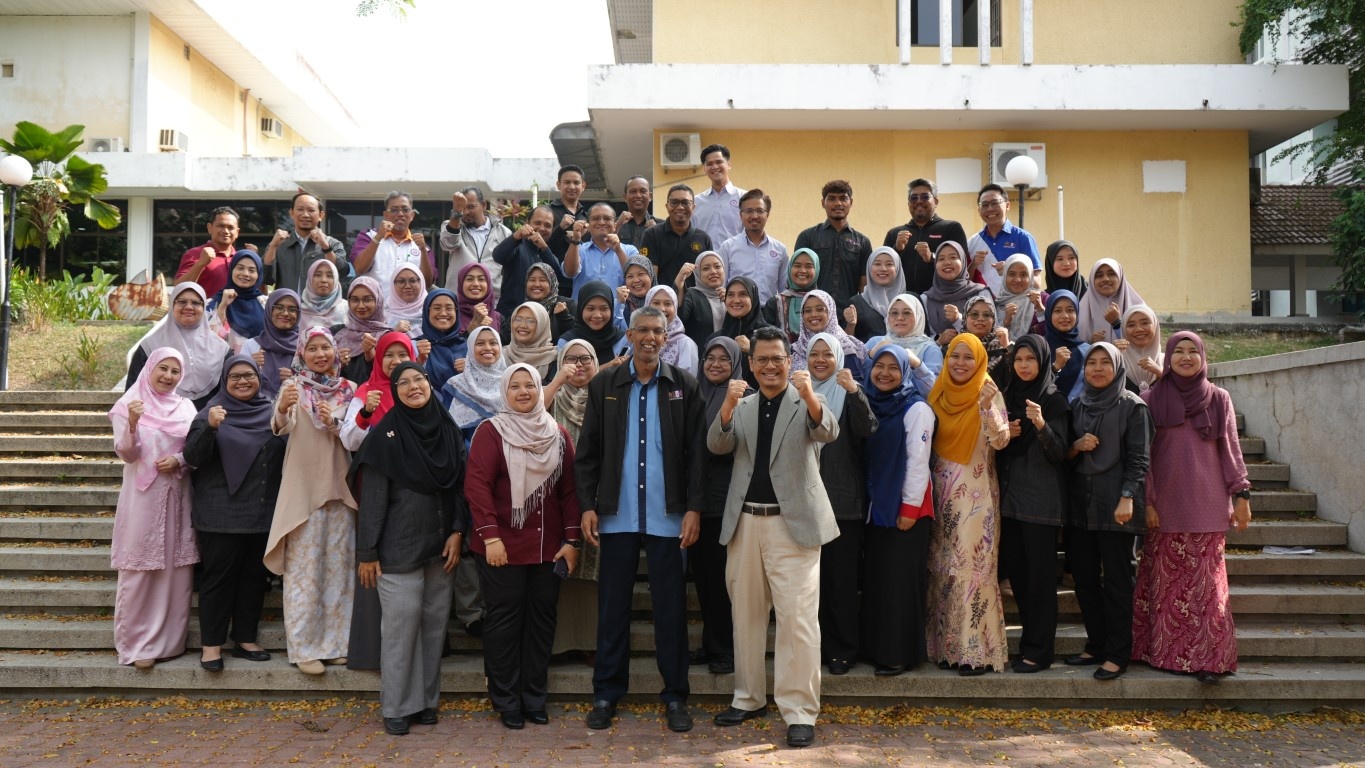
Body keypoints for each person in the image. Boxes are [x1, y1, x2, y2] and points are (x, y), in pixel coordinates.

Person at [575, 306, 705, 734]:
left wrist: (693, 508)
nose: (650, 338)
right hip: (618, 515)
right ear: (629, 335)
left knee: (671, 611)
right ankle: (606, 693)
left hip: (669, 516)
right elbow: (588, 452)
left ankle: (675, 695)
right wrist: (587, 505)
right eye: (642, 330)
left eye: (658, 331)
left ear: (666, 338)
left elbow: (697, 455)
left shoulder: (683, 385)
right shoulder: (605, 384)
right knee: (613, 609)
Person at [707, 325, 838, 749]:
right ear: (751, 364)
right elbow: (717, 446)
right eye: (761, 359)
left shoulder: (806, 399)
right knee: (745, 615)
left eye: (777, 359)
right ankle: (748, 698)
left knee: (797, 620)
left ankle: (799, 711)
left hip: (793, 525)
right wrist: (727, 406)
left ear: (789, 361)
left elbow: (828, 431)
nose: (769, 366)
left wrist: (810, 394)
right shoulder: (742, 404)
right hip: (745, 522)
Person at [349, 362, 468, 736]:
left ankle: (427, 701)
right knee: (401, 629)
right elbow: (372, 500)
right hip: (397, 549)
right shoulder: (385, 437)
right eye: (404, 382)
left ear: (429, 384)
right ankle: (398, 706)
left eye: (419, 379)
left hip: (441, 546)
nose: (414, 386)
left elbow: (461, 487)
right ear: (394, 390)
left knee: (433, 628)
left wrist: (458, 531)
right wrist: (367, 552)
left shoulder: (447, 430)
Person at [465, 364, 582, 729]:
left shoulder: (558, 434)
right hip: (501, 547)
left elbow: (570, 492)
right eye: (514, 386)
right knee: (504, 622)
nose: (523, 392)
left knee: (541, 623)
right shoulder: (491, 432)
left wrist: (572, 540)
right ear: (505, 392)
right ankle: (506, 699)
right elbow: (477, 487)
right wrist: (491, 537)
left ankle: (534, 698)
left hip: (548, 547)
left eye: (529, 385)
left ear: (539, 388)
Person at [1134, 331, 1251, 684]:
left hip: (1208, 505)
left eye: (1193, 352)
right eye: (1179, 352)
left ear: (1203, 358)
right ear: (1168, 358)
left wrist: (1242, 495)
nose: (1186, 358)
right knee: (1166, 586)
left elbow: (1230, 449)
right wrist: (1147, 501)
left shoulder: (1218, 398)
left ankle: (1211, 661)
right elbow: (1143, 457)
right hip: (1165, 505)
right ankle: (1163, 655)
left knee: (1207, 588)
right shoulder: (1150, 399)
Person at [265, 327, 359, 676]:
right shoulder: (294, 387)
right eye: (313, 348)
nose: (320, 354)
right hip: (304, 487)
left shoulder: (348, 389)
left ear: (335, 351)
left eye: (326, 348)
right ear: (302, 353)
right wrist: (283, 407)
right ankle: (304, 647)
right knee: (304, 571)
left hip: (341, 487)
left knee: (339, 570)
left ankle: (336, 644)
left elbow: (355, 435)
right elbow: (281, 425)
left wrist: (333, 422)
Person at [183, 355, 284, 671]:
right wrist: (210, 428)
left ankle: (245, 639)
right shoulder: (211, 412)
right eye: (235, 376)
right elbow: (192, 457)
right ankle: (211, 646)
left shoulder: (271, 412)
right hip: (220, 516)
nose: (243, 381)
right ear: (224, 381)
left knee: (254, 578)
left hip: (261, 512)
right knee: (218, 580)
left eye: (249, 375)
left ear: (259, 378)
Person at [1064, 343, 1153, 681]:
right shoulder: (1078, 404)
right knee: (1085, 579)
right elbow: (1064, 454)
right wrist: (1076, 445)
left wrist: (1128, 496)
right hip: (1080, 505)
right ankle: (1096, 644)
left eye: (1105, 363)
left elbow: (1140, 458)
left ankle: (1118, 654)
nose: (1098, 369)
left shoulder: (1133, 406)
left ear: (1118, 368)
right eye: (1092, 363)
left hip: (1116, 504)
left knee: (1117, 581)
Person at [108, 348, 199, 669]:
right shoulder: (129, 404)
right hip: (143, 498)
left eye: (175, 371)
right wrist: (133, 423)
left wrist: (180, 460)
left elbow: (197, 448)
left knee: (175, 569)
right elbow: (127, 454)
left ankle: (171, 642)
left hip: (178, 494)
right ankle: (136, 645)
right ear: (149, 368)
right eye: (163, 368)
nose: (168, 376)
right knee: (140, 568)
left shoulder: (186, 407)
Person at [926, 333, 1011, 675]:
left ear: (979, 360)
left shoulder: (987, 390)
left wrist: (987, 408)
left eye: (968, 357)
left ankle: (975, 652)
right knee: (942, 568)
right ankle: (944, 648)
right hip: (939, 493)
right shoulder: (938, 391)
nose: (960, 363)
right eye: (955, 356)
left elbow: (1001, 440)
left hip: (975, 498)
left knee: (972, 570)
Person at [338, 331, 417, 669]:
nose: (396, 361)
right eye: (389, 355)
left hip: (413, 493)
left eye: (403, 354)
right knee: (375, 564)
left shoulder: (419, 388)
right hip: (376, 490)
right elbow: (350, 440)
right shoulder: (366, 392)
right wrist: (366, 413)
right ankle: (372, 650)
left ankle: (411, 651)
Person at [994, 335, 1070, 673]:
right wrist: (1003, 434)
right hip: (1009, 501)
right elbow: (996, 448)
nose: (1024, 366)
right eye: (1019, 359)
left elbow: (1061, 453)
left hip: (1041, 504)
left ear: (1043, 362)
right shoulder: (1006, 396)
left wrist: (1040, 424)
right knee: (1020, 579)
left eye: (1031, 359)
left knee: (1040, 581)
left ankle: (1040, 652)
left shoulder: (1054, 401)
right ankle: (1029, 645)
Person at [860, 344, 935, 677]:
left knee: (899, 584)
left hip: (907, 510)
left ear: (905, 371)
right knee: (879, 580)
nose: (885, 373)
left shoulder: (916, 408)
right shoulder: (870, 402)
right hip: (877, 508)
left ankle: (898, 654)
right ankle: (876, 648)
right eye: (880, 366)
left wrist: (909, 508)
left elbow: (918, 463)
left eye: (894, 367)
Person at [803, 332, 876, 676]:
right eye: (814, 354)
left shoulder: (848, 392)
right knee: (808, 584)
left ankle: (842, 650)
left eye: (827, 354)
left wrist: (854, 392)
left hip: (842, 502)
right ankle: (812, 648)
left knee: (840, 581)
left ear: (839, 358)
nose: (820, 360)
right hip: (804, 503)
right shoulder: (799, 394)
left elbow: (867, 428)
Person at [691, 338, 748, 676]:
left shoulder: (744, 397)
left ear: (736, 362)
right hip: (696, 498)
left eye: (724, 359)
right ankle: (712, 643)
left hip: (726, 499)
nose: (715, 364)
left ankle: (727, 648)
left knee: (724, 579)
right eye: (709, 357)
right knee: (704, 577)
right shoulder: (694, 392)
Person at [546, 339, 602, 662]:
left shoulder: (605, 396)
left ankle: (590, 642)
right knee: (560, 568)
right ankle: (559, 644)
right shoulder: (553, 397)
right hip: (558, 495)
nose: (579, 365)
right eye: (571, 359)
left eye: (585, 358)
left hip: (597, 494)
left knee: (592, 571)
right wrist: (558, 380)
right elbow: (531, 409)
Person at [125, 283, 229, 409]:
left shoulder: (221, 348)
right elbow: (133, 391)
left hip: (211, 417)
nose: (189, 307)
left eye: (196, 303)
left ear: (203, 307)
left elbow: (230, 391)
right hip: (160, 417)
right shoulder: (150, 346)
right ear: (172, 305)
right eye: (182, 302)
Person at [793, 180, 872, 311]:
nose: (838, 203)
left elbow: (864, 286)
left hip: (847, 313)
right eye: (832, 198)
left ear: (851, 202)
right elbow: (798, 278)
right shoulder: (807, 237)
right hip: (814, 312)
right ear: (823, 203)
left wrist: (861, 313)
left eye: (843, 198)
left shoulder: (863, 242)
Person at [884, 179, 970, 295]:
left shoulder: (951, 228)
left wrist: (932, 257)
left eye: (925, 197)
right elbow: (883, 268)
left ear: (936, 201)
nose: (919, 201)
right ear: (908, 204)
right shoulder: (894, 234)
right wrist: (897, 249)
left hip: (940, 298)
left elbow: (961, 264)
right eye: (913, 198)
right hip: (903, 300)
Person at [263, 192, 348, 296]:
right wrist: (273, 246)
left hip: (320, 306)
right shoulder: (279, 244)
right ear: (291, 213)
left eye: (311, 210)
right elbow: (265, 278)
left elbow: (342, 272)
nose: (305, 215)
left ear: (321, 215)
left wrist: (325, 247)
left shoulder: (333, 244)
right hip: (287, 305)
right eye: (300, 209)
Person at [966, 184, 1042, 296]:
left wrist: (1009, 270)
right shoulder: (972, 243)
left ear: (1007, 205)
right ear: (979, 210)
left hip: (1015, 305)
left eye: (995, 203)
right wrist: (973, 265)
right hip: (983, 305)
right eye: (985, 205)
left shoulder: (1023, 238)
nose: (990, 208)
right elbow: (965, 282)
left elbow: (1037, 283)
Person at [491, 205, 564, 319]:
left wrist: (544, 248)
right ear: (527, 223)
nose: (542, 228)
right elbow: (498, 256)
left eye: (547, 225)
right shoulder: (517, 246)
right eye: (537, 223)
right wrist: (516, 236)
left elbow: (558, 277)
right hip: (511, 317)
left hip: (540, 319)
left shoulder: (548, 253)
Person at [351, 191, 435, 288]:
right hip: (377, 298)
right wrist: (378, 237)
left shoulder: (421, 246)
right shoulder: (369, 236)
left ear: (412, 215)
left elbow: (427, 284)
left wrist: (423, 250)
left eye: (405, 210)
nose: (400, 214)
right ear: (386, 215)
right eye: (394, 210)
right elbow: (359, 269)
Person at [717, 188, 787, 305]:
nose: (754, 216)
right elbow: (721, 287)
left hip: (769, 312)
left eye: (760, 211)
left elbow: (784, 291)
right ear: (741, 215)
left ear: (767, 215)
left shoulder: (780, 250)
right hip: (737, 310)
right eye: (749, 211)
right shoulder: (728, 247)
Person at [638, 184, 713, 291]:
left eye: (686, 203)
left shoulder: (703, 238)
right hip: (663, 298)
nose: (680, 207)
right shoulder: (652, 235)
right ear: (667, 206)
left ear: (693, 207)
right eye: (674, 202)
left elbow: (709, 274)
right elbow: (649, 273)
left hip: (695, 299)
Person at [866, 293, 941, 398]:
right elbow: (855, 377)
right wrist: (870, 355)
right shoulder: (875, 342)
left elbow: (933, 392)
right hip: (872, 403)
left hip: (911, 406)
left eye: (907, 313)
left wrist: (918, 365)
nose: (900, 318)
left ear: (918, 315)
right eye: (894, 313)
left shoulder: (930, 349)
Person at [446, 325, 508, 445]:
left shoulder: (510, 382)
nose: (488, 348)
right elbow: (449, 430)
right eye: (480, 343)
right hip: (469, 451)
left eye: (493, 343)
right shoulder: (457, 385)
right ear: (470, 348)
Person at [442, 186, 511, 293]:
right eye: (462, 208)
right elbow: (448, 244)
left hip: (493, 298)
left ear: (484, 205)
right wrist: (456, 211)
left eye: (471, 207)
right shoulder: (452, 226)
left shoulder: (503, 232)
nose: (465, 212)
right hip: (459, 298)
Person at [563, 202, 635, 301]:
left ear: (615, 225)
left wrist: (618, 250)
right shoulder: (578, 249)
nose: (601, 222)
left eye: (607, 218)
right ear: (588, 225)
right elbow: (569, 272)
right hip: (583, 309)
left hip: (619, 310)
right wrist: (576, 239)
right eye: (595, 218)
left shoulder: (630, 250)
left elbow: (635, 277)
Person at [922, 241, 992, 342]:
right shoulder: (926, 298)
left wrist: (958, 320)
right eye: (941, 259)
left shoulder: (980, 294)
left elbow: (992, 332)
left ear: (963, 261)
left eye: (953, 257)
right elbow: (920, 337)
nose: (947, 262)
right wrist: (938, 340)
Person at [790, 290, 866, 379]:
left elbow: (855, 382)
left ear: (830, 311)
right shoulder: (796, 350)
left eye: (820, 309)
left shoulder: (845, 347)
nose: (813, 314)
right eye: (807, 311)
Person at [711, 276, 771, 388]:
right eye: (730, 295)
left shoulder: (771, 336)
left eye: (743, 294)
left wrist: (752, 349)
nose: (736, 300)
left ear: (753, 298)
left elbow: (778, 367)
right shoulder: (716, 339)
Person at [239, 290, 300, 398]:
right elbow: (238, 382)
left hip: (294, 405)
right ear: (269, 310)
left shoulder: (305, 347)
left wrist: (297, 379)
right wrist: (250, 366)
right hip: (256, 405)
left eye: (292, 309)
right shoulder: (251, 345)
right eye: (279, 307)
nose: (285, 313)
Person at [332, 277, 392, 386]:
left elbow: (392, 375)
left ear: (378, 300)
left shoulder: (388, 337)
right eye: (355, 300)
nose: (361, 306)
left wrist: (371, 356)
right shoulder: (335, 333)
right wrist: (335, 363)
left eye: (367, 299)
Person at [174, 206, 242, 298]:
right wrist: (200, 264)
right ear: (210, 228)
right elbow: (179, 288)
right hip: (205, 307)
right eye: (221, 226)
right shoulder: (194, 254)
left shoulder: (241, 259)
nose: (226, 231)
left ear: (237, 232)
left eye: (230, 227)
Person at [557, 281, 630, 366]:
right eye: (591, 309)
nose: (597, 315)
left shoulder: (623, 339)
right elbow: (568, 373)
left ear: (611, 309)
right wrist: (609, 366)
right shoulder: (567, 342)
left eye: (604, 309)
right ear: (581, 309)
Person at [207, 250, 267, 352]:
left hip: (258, 360)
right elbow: (207, 339)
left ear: (259, 274)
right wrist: (223, 306)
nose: (245, 274)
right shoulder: (211, 304)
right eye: (240, 268)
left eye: (252, 270)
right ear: (231, 270)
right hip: (222, 360)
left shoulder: (266, 304)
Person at [1078, 259, 1145, 344]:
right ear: (1092, 281)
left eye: (1111, 274)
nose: (1105, 279)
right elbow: (1073, 346)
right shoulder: (1079, 312)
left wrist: (1117, 323)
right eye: (1099, 275)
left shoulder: (1140, 310)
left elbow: (1144, 342)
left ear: (1120, 277)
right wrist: (1089, 344)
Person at [846, 247, 904, 343]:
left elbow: (922, 336)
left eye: (889, 264)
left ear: (897, 267)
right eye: (877, 264)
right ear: (869, 268)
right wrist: (850, 325)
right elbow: (847, 343)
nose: (883, 269)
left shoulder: (911, 300)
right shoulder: (857, 302)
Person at [417, 289, 465, 404]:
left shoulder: (470, 347)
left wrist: (472, 370)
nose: (443, 313)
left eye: (449, 308)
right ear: (427, 311)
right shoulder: (416, 346)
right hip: (427, 410)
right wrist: (419, 361)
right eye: (437, 308)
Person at [691, 143, 745, 244]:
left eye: (719, 162)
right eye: (709, 164)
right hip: (704, 254)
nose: (715, 167)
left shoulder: (744, 198)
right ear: (704, 169)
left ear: (729, 165)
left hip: (736, 254)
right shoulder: (696, 202)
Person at [764, 248, 821, 342]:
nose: (802, 270)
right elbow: (766, 339)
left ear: (817, 270)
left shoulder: (824, 302)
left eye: (809, 266)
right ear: (790, 268)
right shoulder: (775, 303)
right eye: (797, 265)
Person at [1043, 290, 1090, 401]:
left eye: (1070, 310)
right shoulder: (1039, 349)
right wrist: (1055, 367)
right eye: (1058, 311)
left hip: (1081, 410)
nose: (1065, 316)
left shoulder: (1088, 350)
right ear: (1049, 314)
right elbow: (1033, 386)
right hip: (1047, 410)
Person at [679, 250, 727, 353]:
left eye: (717, 267)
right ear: (698, 273)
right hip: (698, 356)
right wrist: (680, 281)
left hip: (727, 357)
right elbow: (679, 318)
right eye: (706, 268)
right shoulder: (691, 295)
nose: (713, 271)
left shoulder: (731, 296)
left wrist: (730, 302)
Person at [517, 262, 575, 345]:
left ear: (552, 282)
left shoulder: (567, 305)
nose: (537, 284)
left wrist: (564, 317)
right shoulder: (522, 308)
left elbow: (578, 335)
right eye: (532, 280)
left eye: (542, 280)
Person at [646, 285, 698, 375]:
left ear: (675, 308)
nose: (662, 309)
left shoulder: (685, 344)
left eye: (667, 304)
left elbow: (687, 380)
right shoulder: (637, 336)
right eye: (656, 303)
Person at [504, 302, 560, 383]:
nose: (523, 325)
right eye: (518, 320)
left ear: (542, 325)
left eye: (531, 321)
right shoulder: (500, 356)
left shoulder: (555, 360)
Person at [996, 254, 1047, 343]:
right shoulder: (996, 302)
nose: (1017, 280)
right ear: (1005, 276)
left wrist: (1040, 309)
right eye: (1012, 274)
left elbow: (1052, 333)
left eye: (1023, 275)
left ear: (1031, 276)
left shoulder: (1042, 299)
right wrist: (1006, 321)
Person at [953, 295, 1010, 375]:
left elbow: (1013, 376)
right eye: (974, 314)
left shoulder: (1003, 347)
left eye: (986, 315)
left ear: (993, 320)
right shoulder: (953, 347)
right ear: (965, 318)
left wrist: (1006, 347)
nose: (980, 319)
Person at [546, 164, 589, 261]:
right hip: (552, 268)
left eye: (576, 182)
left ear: (583, 186)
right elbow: (539, 245)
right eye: (567, 182)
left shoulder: (587, 217)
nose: (572, 187)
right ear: (558, 185)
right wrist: (560, 228)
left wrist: (578, 238)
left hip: (582, 269)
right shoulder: (547, 212)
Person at [1117, 305, 1164, 392]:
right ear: (1123, 329)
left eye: (1145, 323)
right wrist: (1113, 357)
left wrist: (1159, 372)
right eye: (1131, 325)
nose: (1139, 329)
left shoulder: (1167, 361)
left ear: (1155, 325)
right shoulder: (1118, 361)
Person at [453, 262, 502, 335]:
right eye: (469, 279)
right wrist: (473, 325)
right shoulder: (451, 316)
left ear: (488, 284)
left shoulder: (498, 319)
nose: (475, 284)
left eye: (481, 279)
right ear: (461, 283)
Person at [299, 259, 348, 331]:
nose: (323, 280)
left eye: (329, 276)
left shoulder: (346, 309)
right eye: (318, 275)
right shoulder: (299, 312)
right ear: (310, 279)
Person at [614, 255, 657, 330]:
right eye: (630, 276)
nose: (636, 280)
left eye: (641, 274)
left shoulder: (662, 301)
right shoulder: (620, 304)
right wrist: (619, 304)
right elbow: (613, 329)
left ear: (651, 276)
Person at [386, 263, 429, 337]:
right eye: (401, 282)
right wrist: (394, 332)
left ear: (421, 282)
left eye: (413, 281)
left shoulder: (431, 310)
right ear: (393, 285)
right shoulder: (384, 315)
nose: (407, 286)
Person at [616, 175, 659, 248]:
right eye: (633, 192)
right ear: (625, 197)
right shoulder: (613, 224)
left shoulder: (661, 226)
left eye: (643, 191)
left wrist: (658, 234)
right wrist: (617, 226)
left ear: (650, 196)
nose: (638, 195)